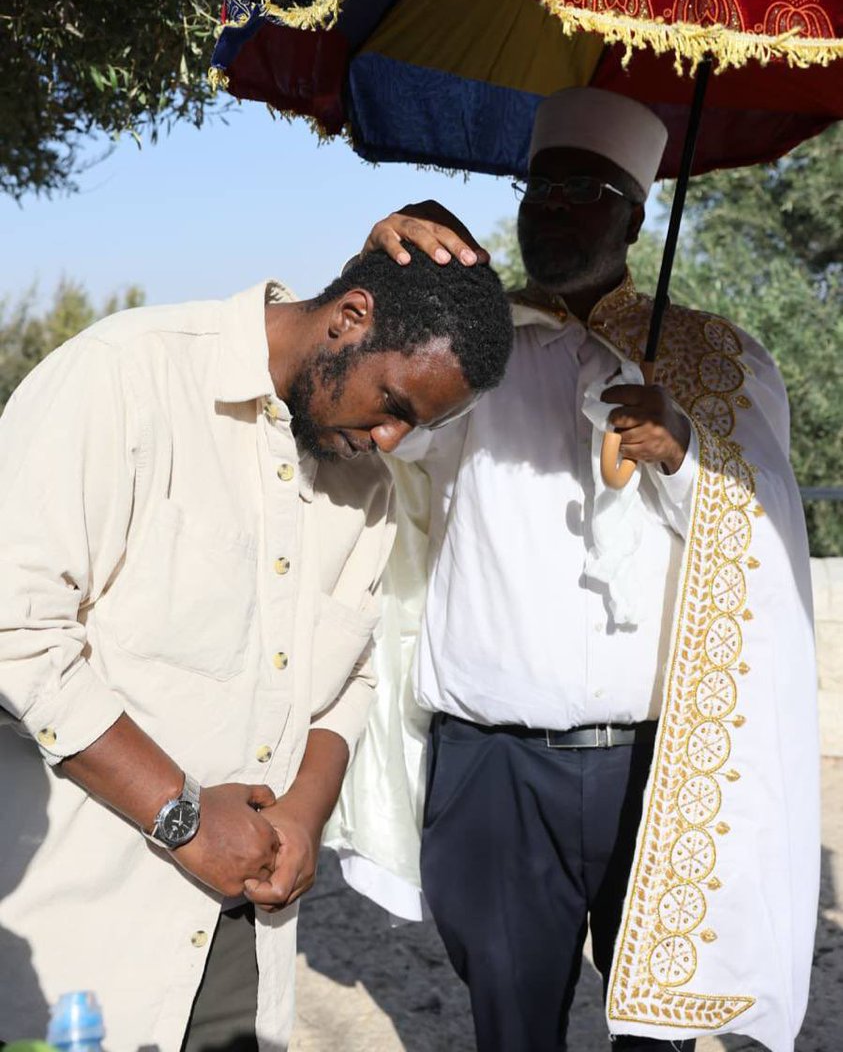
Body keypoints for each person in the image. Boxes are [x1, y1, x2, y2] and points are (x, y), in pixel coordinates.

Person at [331, 88, 819, 1052]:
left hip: (655, 768)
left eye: (584, 189)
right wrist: (376, 271)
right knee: (511, 1027)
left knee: (654, 1031)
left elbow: (768, 537)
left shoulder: (719, 360)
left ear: (635, 214)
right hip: (494, 765)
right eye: (540, 187)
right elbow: (371, 441)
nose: (552, 207)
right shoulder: (467, 348)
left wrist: (683, 453)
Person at [0, 247, 513, 1052]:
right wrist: (184, 818)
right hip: (82, 928)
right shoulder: (123, 378)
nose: (388, 439)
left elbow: (354, 675)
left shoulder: (363, 483)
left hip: (247, 938)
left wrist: (305, 815)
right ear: (350, 318)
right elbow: (15, 633)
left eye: (416, 427)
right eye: (392, 403)